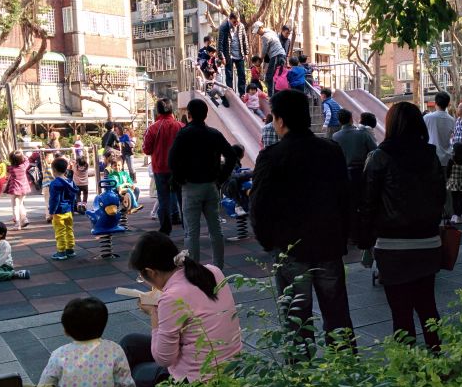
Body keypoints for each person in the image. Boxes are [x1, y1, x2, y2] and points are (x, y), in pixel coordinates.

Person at [251, 89, 355, 354]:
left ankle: (302, 377)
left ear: (280, 120)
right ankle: (347, 370)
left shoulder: (271, 157)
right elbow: (345, 197)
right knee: (337, 315)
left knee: (296, 320)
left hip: (290, 249)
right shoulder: (331, 150)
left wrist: (268, 242)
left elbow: (260, 206)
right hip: (329, 245)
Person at [358, 101, 445, 350]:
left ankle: (407, 366)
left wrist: (364, 240)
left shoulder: (379, 156)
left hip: (392, 244)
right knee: (428, 305)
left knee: (400, 311)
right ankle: (437, 356)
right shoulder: (431, 155)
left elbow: (367, 202)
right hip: (429, 241)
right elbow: (440, 196)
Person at [119, 233, 241, 387]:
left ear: (151, 272)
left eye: (142, 277)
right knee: (130, 343)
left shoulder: (171, 297)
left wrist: (153, 313)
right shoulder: (213, 271)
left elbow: (164, 359)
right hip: (230, 365)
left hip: (198, 380)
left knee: (138, 373)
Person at [39, 297, 137, 387]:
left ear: (66, 330)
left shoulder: (59, 354)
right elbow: (124, 383)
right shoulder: (114, 350)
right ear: (103, 325)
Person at [169, 99, 236, 267]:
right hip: (211, 186)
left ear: (188, 114)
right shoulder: (214, 134)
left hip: (190, 187)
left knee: (192, 233)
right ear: (206, 114)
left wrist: (179, 179)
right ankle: (218, 268)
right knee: (216, 230)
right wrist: (220, 178)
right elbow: (231, 155)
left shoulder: (184, 134)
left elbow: (172, 160)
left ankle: (193, 270)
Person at [333, 109, 378, 243]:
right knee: (363, 202)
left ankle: (351, 234)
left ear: (339, 121)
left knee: (349, 204)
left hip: (344, 174)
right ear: (351, 119)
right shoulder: (363, 134)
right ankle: (364, 231)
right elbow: (375, 151)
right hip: (361, 172)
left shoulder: (336, 137)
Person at [142, 98, 184, 235]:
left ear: (158, 111)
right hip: (178, 169)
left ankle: (165, 229)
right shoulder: (181, 127)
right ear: (172, 110)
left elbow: (147, 150)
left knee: (163, 199)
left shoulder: (153, 128)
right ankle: (188, 227)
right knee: (183, 199)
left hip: (160, 168)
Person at [49, 157, 78, 261]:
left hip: (59, 212)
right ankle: (70, 249)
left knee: (60, 231)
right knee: (69, 230)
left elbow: (54, 200)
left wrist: (51, 212)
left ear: (54, 170)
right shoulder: (71, 182)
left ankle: (61, 252)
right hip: (68, 210)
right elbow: (73, 197)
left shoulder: (55, 183)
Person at [217, 12, 249, 94]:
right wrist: (222, 57)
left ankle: (242, 94)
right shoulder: (224, 27)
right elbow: (220, 43)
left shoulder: (241, 26)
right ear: (230, 19)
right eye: (234, 22)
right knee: (229, 76)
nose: (236, 23)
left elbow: (244, 39)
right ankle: (231, 94)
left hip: (240, 54)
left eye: (238, 21)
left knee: (242, 75)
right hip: (229, 55)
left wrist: (246, 53)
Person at [253, 21, 287, 94]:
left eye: (258, 31)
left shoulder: (265, 36)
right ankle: (277, 95)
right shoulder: (271, 32)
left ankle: (271, 96)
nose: (257, 33)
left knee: (270, 76)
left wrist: (260, 60)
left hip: (277, 55)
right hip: (280, 55)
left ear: (261, 28)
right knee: (277, 76)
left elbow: (264, 50)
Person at [423, 91, 456, 167]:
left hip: (432, 157)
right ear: (448, 104)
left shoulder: (427, 118)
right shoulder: (452, 120)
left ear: (435, 103)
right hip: (447, 158)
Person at [4, 150, 31, 230]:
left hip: (14, 189)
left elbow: (8, 164)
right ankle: (24, 219)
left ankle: (17, 224)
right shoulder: (23, 167)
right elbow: (27, 160)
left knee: (15, 206)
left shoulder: (11, 168)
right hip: (23, 189)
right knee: (21, 204)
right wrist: (22, 154)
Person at [447, 142, 462, 224]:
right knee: (461, 199)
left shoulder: (452, 160)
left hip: (453, 183)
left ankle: (455, 214)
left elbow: (448, 171)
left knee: (454, 199)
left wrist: (449, 178)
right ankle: (459, 214)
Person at [41, 151, 55, 223]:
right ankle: (48, 216)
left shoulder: (54, 166)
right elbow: (42, 160)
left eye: (52, 157)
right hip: (47, 185)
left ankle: (52, 215)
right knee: (47, 201)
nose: (50, 158)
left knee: (53, 201)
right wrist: (42, 153)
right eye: (49, 157)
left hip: (54, 186)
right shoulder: (46, 166)